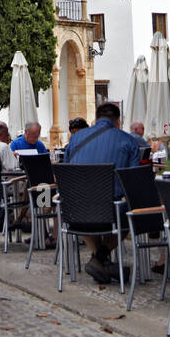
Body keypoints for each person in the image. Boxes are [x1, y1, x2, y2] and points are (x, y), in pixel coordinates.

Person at [61, 102, 142, 283]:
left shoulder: (74, 140)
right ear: (118, 121)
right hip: (110, 213)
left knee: (84, 203)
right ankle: (100, 257)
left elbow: (65, 173)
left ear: (96, 119)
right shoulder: (129, 141)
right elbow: (133, 181)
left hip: (76, 213)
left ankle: (99, 260)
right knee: (128, 212)